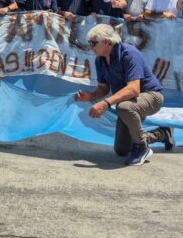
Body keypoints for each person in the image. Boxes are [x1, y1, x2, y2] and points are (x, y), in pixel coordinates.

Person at [74, 24, 173, 166]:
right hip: (129, 100)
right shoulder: (100, 60)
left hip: (152, 96)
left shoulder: (129, 54)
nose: (91, 46)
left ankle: (141, 149)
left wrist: (105, 103)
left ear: (107, 42)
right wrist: (89, 96)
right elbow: (103, 89)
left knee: (124, 107)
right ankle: (163, 134)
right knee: (122, 149)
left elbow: (133, 89)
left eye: (93, 43)